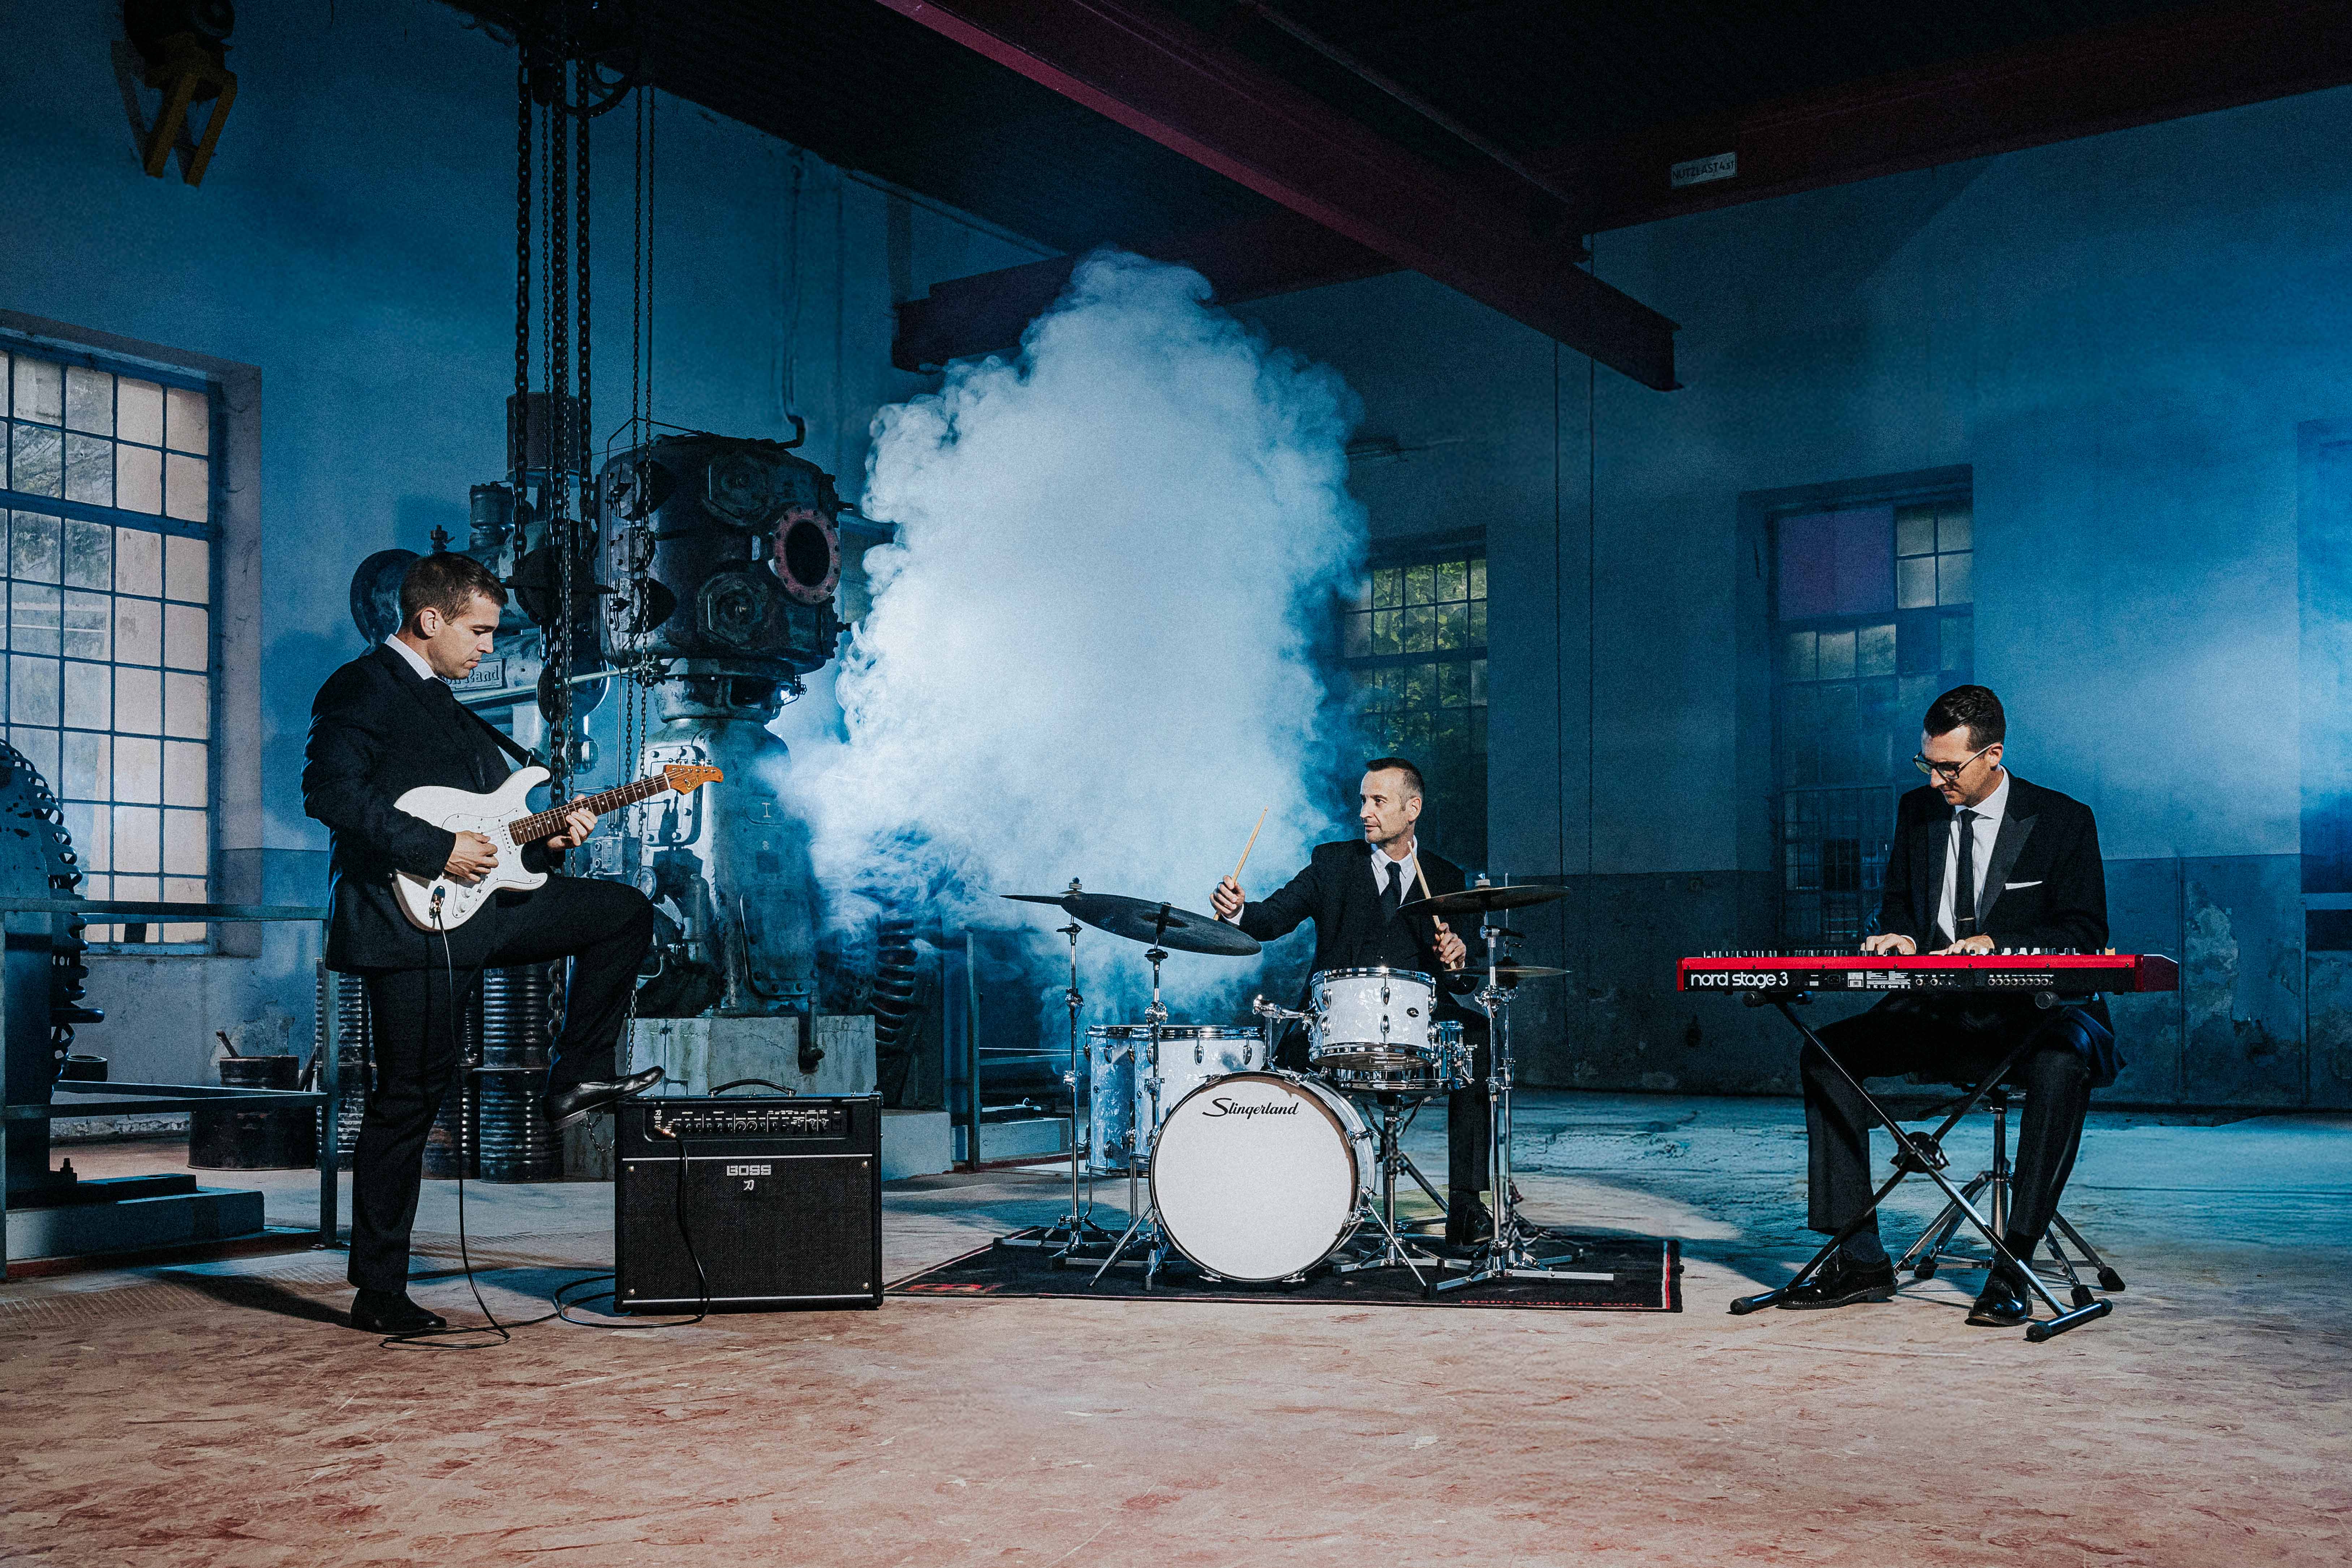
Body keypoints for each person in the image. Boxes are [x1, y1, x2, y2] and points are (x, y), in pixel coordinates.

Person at [304, 552, 662, 1335]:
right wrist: (437, 851)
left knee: (623, 914)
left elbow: (491, 829)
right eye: (479, 632)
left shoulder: (450, 704)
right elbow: (329, 793)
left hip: (486, 909)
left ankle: (577, 1075)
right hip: (407, 921)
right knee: (409, 1099)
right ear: (429, 619)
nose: (489, 648)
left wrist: (548, 841)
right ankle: (379, 1291)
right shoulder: (362, 686)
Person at [1788, 684, 2116, 1326]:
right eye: (1927, 764)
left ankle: (2013, 1266)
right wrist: (1898, 934)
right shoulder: (1917, 811)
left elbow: (2084, 931)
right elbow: (1899, 903)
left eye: (1948, 767)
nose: (1935, 780)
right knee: (1825, 1055)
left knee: (2061, 1065)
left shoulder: (2062, 820)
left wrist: (1997, 943)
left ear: (1992, 755)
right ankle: (1859, 1259)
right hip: (1939, 1012)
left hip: (2034, 1015)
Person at [1212, 758, 1493, 1245]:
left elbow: (1462, 977)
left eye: (1378, 801)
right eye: (1363, 800)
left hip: (1418, 1018)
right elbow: (1271, 918)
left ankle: (1466, 1206)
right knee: (1284, 1066)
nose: (1365, 812)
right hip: (1334, 1016)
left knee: (1476, 1037)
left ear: (1412, 809)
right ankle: (1288, 1203)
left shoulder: (1445, 876)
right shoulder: (1332, 863)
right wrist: (1238, 911)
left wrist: (1459, 957)